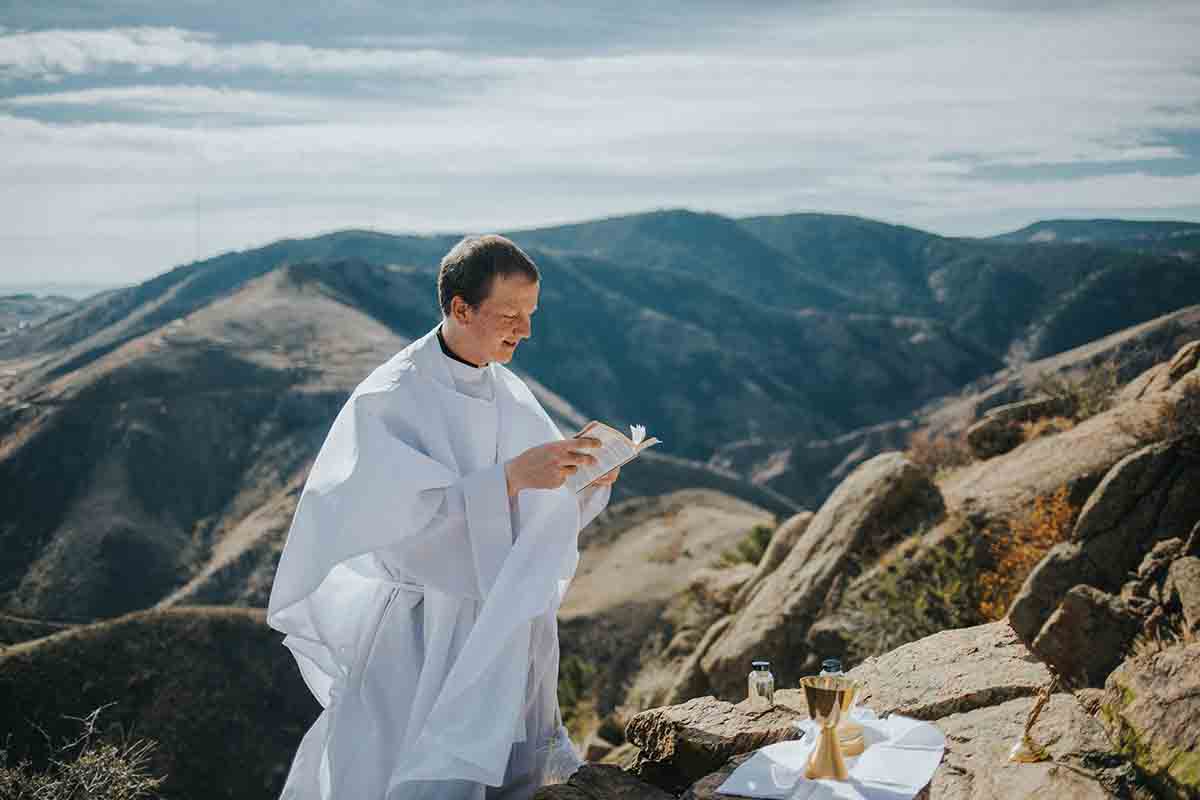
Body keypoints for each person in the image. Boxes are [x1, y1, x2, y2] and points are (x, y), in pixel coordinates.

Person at [266, 234, 619, 799]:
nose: (524, 331)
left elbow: (537, 504)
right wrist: (508, 479)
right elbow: (396, 525)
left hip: (497, 625)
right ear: (460, 308)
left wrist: (582, 482)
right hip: (420, 636)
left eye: (530, 315)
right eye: (509, 314)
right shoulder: (389, 396)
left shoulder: (505, 388)